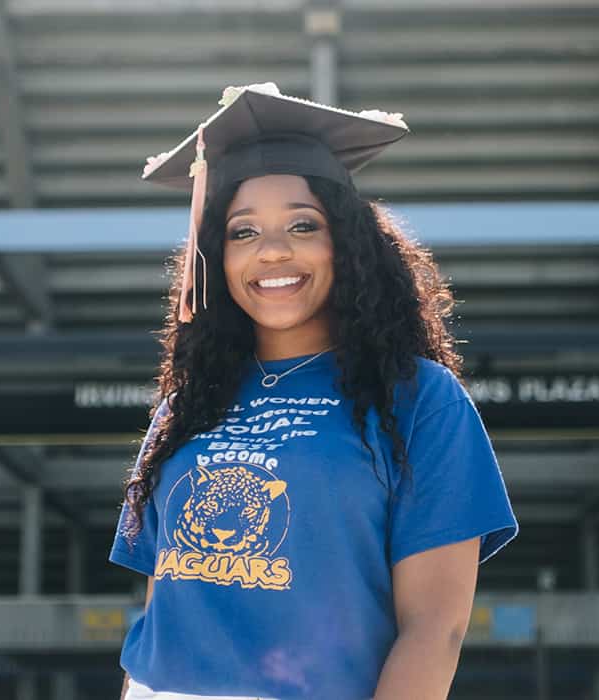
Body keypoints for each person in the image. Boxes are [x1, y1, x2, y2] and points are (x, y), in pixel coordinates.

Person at [109, 83, 518, 700]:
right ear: (215, 257)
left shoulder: (417, 399)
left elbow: (437, 627)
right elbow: (163, 606)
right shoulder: (186, 407)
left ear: (347, 244)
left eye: (303, 225)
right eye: (243, 232)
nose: (273, 250)